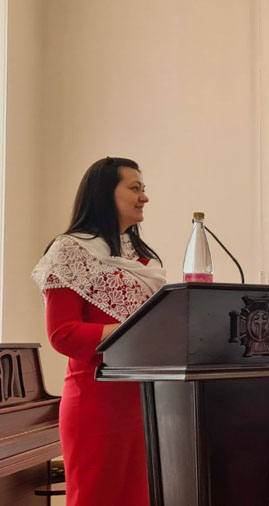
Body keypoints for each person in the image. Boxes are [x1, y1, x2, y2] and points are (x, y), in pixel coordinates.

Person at [31, 157, 166, 506]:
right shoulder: (69, 251)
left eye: (143, 189)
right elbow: (63, 334)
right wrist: (132, 329)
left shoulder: (139, 257)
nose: (144, 197)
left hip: (145, 400)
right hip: (97, 402)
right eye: (134, 189)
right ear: (106, 194)